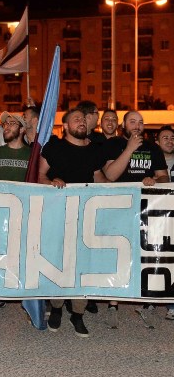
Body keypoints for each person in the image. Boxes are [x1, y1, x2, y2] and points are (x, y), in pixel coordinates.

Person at [38, 108, 107, 338]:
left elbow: (100, 179)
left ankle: (78, 313)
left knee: (82, 264)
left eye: (83, 119)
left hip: (85, 215)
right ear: (65, 126)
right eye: (75, 119)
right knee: (59, 260)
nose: (81, 121)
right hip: (58, 214)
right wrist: (51, 182)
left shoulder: (95, 150)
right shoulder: (54, 147)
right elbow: (40, 176)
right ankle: (57, 307)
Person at [102, 112, 169, 328]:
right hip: (119, 206)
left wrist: (155, 179)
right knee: (119, 254)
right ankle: (113, 305)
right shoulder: (113, 144)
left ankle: (146, 303)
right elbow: (110, 175)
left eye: (140, 122)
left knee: (145, 254)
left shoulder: (152, 148)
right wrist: (129, 149)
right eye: (132, 122)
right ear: (123, 125)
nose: (137, 125)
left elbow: (164, 176)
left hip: (146, 208)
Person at [0, 112, 31, 325]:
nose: (6, 126)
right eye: (5, 123)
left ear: (22, 129)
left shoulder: (32, 155)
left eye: (12, 123)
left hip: (23, 214)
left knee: (21, 256)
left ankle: (27, 299)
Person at [155, 125, 174, 320]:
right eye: (165, 138)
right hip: (159, 217)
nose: (170, 141)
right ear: (157, 142)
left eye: (172, 138)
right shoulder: (151, 162)